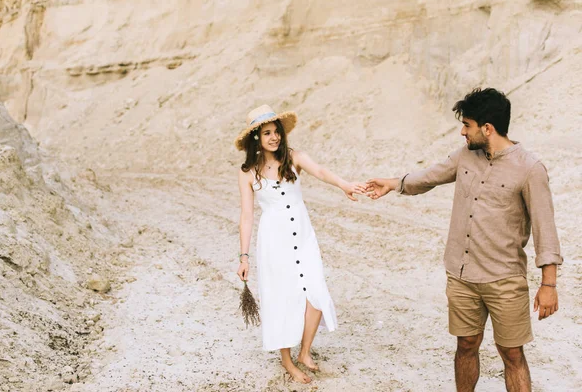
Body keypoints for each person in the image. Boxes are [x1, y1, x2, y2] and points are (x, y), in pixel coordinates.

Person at [366, 88, 563, 392]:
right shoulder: (464, 156)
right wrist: (393, 184)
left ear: (487, 128)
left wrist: (548, 285)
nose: (462, 132)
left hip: (504, 279)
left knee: (512, 353)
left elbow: (545, 228)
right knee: (466, 344)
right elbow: (429, 177)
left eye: (467, 124)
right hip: (461, 275)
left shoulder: (529, 168)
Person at [235, 104, 366, 384]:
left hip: (303, 237)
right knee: (280, 298)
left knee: (316, 292)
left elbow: (319, 171)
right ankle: (287, 361)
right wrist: (244, 257)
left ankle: (304, 352)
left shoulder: (293, 158)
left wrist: (344, 185)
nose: (274, 137)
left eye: (276, 132)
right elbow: (247, 216)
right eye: (267, 133)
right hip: (274, 242)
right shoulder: (248, 172)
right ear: (256, 137)